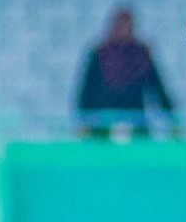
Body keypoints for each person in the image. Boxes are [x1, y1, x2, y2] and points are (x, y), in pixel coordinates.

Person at [76, 7, 177, 138]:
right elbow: (87, 90)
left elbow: (157, 88)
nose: (123, 29)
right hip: (104, 123)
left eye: (127, 25)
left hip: (136, 121)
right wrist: (84, 121)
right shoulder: (99, 53)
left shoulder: (141, 54)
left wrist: (172, 120)